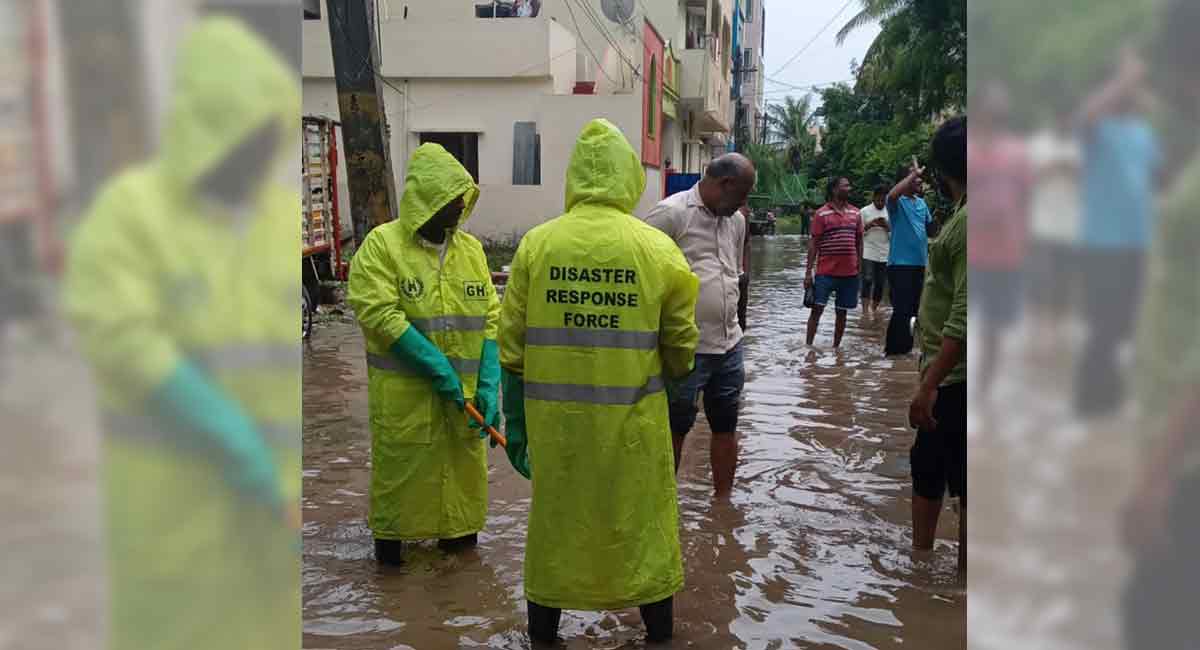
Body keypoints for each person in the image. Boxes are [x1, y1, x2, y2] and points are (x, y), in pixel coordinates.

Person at [63, 17, 300, 648]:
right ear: (206, 127)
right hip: (174, 536)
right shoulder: (130, 214)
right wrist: (232, 437)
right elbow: (118, 336)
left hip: (273, 544)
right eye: (242, 130)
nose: (254, 148)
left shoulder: (281, 223)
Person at [498, 118, 699, 644]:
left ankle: (543, 637)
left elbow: (511, 349)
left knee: (554, 532)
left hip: (557, 432)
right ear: (629, 176)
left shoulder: (536, 247)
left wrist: (515, 425)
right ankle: (658, 638)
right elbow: (681, 351)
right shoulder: (657, 250)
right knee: (644, 531)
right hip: (635, 431)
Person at [347, 142, 501, 564]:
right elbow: (378, 312)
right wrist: (434, 365)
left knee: (461, 520)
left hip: (465, 406)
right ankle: (396, 604)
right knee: (398, 514)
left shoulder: (471, 251)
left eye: (461, 199)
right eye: (450, 200)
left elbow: (490, 316)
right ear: (426, 202)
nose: (458, 208)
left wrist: (490, 382)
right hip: (407, 407)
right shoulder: (383, 247)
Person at [646, 153, 754, 498]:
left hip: (729, 345)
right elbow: (644, 281)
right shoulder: (671, 214)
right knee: (674, 428)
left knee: (727, 425)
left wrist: (741, 326)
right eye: (743, 193)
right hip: (685, 348)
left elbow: (735, 276)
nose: (745, 203)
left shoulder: (735, 221)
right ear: (725, 184)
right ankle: (663, 506)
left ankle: (723, 508)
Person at [1073, 47, 1161, 416]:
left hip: (1136, 243)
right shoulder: (1098, 128)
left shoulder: (1144, 133)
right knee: (1102, 324)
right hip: (1101, 243)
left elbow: (1152, 184)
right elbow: (1086, 117)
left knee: (1126, 325)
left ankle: (1109, 398)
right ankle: (1090, 402)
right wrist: (1122, 80)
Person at [908, 115, 968, 578]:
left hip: (955, 379)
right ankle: (923, 572)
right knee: (929, 470)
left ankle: (948, 583)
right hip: (949, 373)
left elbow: (965, 315)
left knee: (961, 480)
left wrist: (929, 385)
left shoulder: (971, 221)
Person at [967, 83, 1032, 397]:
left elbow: (1027, 199)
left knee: (997, 328)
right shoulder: (966, 151)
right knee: (966, 325)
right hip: (971, 255)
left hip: (1007, 255)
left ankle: (985, 392)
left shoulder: (1017, 152)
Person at [1026, 105, 1082, 351]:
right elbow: (1027, 178)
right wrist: (1054, 166)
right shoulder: (1039, 144)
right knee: (1041, 282)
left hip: (1070, 229)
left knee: (1064, 282)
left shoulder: (1078, 147)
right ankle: (1040, 335)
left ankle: (1058, 336)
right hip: (1041, 228)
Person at [804, 177, 863, 347]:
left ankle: (836, 349)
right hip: (825, 272)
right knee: (817, 310)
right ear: (835, 190)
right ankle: (808, 347)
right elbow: (813, 244)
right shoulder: (821, 214)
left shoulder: (856, 213)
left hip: (849, 273)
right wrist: (808, 273)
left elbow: (859, 242)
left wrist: (860, 266)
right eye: (846, 185)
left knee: (842, 312)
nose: (849, 188)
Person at [884, 162, 933, 355]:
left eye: (919, 178)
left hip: (921, 264)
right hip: (900, 265)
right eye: (914, 178)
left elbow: (929, 228)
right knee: (901, 310)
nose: (919, 180)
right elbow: (892, 195)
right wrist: (912, 175)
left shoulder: (921, 203)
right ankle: (893, 352)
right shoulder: (896, 203)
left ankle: (906, 349)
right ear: (904, 181)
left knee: (915, 310)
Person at [859, 185, 891, 316]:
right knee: (867, 279)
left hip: (884, 252)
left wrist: (886, 226)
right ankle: (865, 311)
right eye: (878, 200)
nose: (880, 203)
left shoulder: (890, 211)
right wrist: (869, 225)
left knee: (880, 282)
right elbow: (858, 232)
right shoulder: (864, 211)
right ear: (873, 198)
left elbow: (895, 234)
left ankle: (874, 308)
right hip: (868, 250)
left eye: (883, 201)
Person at [736, 203, 753, 331]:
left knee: (741, 317)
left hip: (740, 274)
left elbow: (746, 242)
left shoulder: (743, 213)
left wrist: (745, 272)